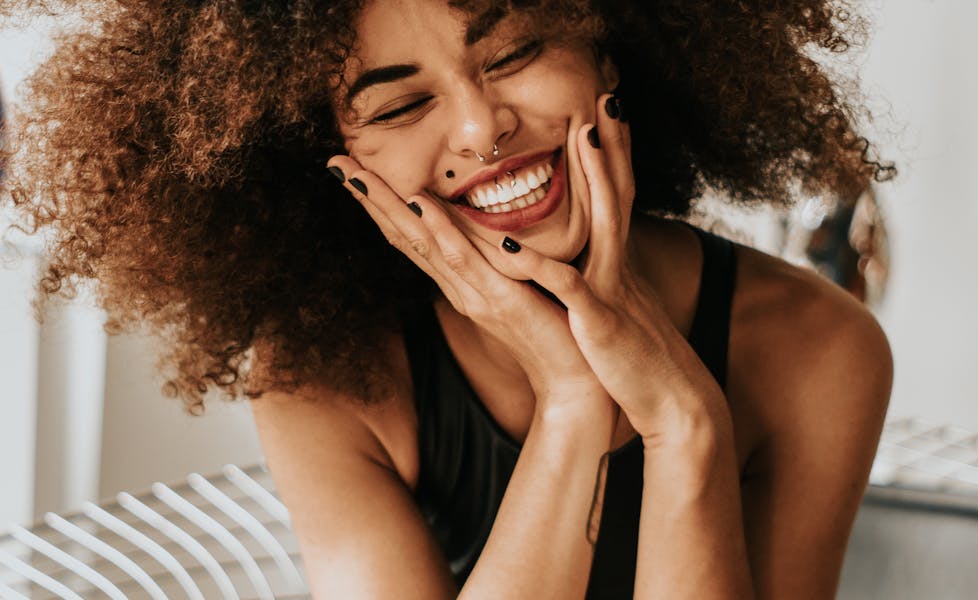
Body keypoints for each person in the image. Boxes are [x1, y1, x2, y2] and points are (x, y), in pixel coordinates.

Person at [0, 0, 895, 597]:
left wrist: (684, 420)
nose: (481, 128)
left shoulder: (819, 349)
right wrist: (575, 397)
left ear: (606, 53)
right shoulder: (328, 381)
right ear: (339, 169)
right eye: (397, 108)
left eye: (513, 54)